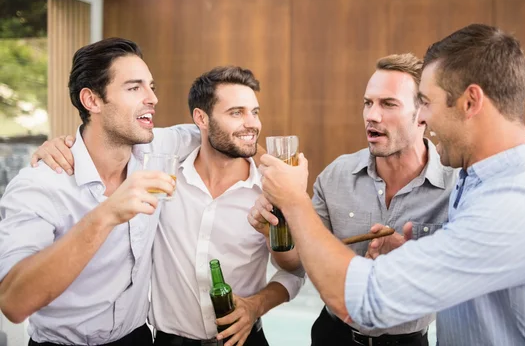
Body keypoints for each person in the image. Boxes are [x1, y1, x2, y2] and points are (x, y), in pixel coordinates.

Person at [256, 24, 525, 345]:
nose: (425, 119)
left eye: (427, 103)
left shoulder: (513, 205)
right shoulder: (487, 180)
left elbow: (362, 298)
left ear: (471, 102)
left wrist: (292, 200)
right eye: (368, 103)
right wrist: (416, 257)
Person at [32, 66, 304, 346]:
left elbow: (294, 270)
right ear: (201, 118)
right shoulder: (161, 175)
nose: (252, 123)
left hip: (245, 339)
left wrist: (256, 305)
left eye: (255, 112)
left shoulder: (270, 190)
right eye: (236, 112)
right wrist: (63, 145)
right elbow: (107, 140)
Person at [0, 38, 197, 345]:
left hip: (138, 337)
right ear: (91, 101)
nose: (152, 98)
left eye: (151, 86)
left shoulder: (156, 150)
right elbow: (13, 302)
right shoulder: (40, 185)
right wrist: (105, 215)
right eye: (134, 88)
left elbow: (223, 132)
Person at [249, 53, 455, 346]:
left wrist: (410, 261)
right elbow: (294, 263)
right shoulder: (337, 176)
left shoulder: (456, 187)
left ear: (423, 112)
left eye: (388, 104)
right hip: (333, 336)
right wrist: (273, 230)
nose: (372, 115)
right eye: (368, 103)